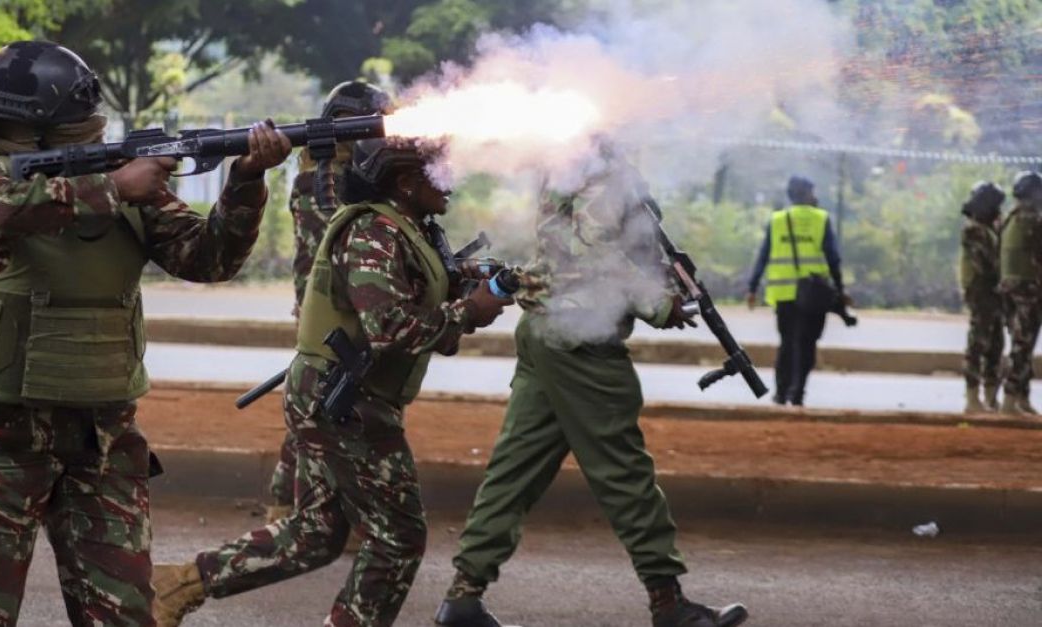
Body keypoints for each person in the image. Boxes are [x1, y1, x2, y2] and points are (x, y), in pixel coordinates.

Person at [0, 40, 290, 626]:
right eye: (77, 131)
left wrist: (246, 182)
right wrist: (115, 187)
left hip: (100, 438)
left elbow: (209, 259)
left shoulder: (123, 183)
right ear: (33, 130)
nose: (91, 139)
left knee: (124, 615)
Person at [151, 137, 512, 626]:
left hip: (339, 394)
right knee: (396, 539)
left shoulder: (406, 229)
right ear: (405, 184)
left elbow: (419, 290)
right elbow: (389, 329)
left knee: (316, 533)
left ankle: (180, 584)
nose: (451, 184)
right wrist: (470, 310)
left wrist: (477, 284)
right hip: (345, 399)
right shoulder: (372, 232)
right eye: (439, 175)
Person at [434, 168, 748, 627]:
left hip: (547, 329)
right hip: (580, 339)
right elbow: (593, 253)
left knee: (514, 472)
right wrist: (658, 303)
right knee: (624, 471)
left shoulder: (571, 159)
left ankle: (463, 597)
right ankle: (668, 603)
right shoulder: (597, 168)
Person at [267, 80, 395, 528]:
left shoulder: (329, 171)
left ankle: (283, 505)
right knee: (333, 407)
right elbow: (347, 240)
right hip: (330, 307)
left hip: (327, 302)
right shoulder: (327, 180)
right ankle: (316, 515)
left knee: (315, 406)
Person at [746, 175, 849, 406]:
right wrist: (840, 289)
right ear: (805, 194)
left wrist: (752, 287)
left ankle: (781, 393)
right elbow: (833, 259)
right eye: (812, 192)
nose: (815, 196)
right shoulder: (821, 219)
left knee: (787, 343)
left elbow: (763, 255)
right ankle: (798, 392)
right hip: (813, 294)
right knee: (807, 344)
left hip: (784, 295)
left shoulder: (778, 219)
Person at [958, 181, 1007, 413]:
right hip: (981, 292)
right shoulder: (974, 230)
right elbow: (988, 263)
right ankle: (972, 397)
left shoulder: (988, 229)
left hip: (993, 293)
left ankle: (990, 396)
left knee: (996, 343)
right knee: (978, 343)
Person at [997, 170, 1042, 416]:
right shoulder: (1033, 220)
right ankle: (1010, 399)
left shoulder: (1009, 219)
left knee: (1019, 342)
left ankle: (1020, 398)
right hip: (1028, 290)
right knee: (1023, 345)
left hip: (1009, 290)